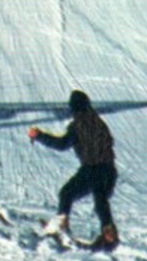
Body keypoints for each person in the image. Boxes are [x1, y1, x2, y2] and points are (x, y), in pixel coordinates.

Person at [29, 89, 119, 250]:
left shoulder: (78, 125)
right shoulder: (99, 122)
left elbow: (62, 144)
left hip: (92, 169)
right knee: (100, 201)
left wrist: (39, 136)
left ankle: (62, 224)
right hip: (109, 169)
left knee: (67, 193)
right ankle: (108, 231)